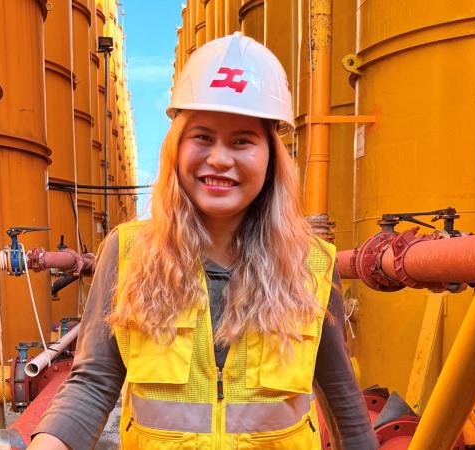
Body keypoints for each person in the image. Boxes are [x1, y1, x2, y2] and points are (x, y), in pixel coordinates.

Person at [29, 32, 378, 450]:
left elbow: (343, 402)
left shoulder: (313, 265)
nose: (219, 159)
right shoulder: (128, 252)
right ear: (177, 148)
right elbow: (94, 382)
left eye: (242, 141)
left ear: (271, 156)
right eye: (202, 137)